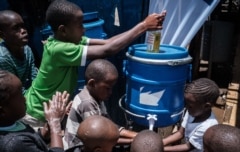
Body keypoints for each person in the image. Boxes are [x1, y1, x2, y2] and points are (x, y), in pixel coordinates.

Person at [23, 0, 166, 127]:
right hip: (37, 113)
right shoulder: (59, 49)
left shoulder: (69, 40)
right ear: (63, 30)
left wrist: (145, 26)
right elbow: (108, 50)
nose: (84, 29)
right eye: (80, 25)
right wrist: (144, 25)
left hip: (50, 109)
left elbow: (108, 42)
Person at [63, 59, 137, 152]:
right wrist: (132, 141)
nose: (110, 92)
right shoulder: (87, 103)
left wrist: (134, 135)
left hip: (93, 146)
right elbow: (102, 138)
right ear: (92, 83)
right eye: (107, 88)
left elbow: (110, 126)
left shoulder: (97, 97)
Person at [0, 70, 70, 152]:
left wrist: (47, 129)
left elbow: (30, 140)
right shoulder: (14, 144)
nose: (24, 98)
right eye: (20, 95)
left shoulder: (12, 124)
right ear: (2, 111)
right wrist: (55, 125)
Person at [162, 78, 220, 152]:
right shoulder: (192, 111)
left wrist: (161, 149)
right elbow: (181, 133)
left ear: (207, 106)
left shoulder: (207, 127)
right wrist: (161, 142)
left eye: (190, 105)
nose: (186, 107)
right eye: (186, 104)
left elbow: (188, 147)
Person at [0, 10, 38, 95]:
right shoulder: (3, 58)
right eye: (16, 28)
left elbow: (34, 76)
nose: (23, 31)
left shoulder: (26, 49)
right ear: (2, 35)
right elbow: (15, 90)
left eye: (23, 26)